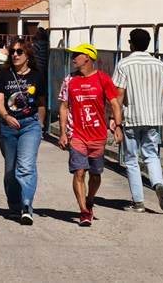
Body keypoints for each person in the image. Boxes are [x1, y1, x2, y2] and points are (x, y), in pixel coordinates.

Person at [57, 43, 122, 226]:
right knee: (79, 172)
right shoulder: (69, 80)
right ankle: (84, 210)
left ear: (87, 57)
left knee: (95, 174)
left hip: (98, 135)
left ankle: (90, 199)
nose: (73, 58)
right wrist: (63, 133)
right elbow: (63, 107)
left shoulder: (102, 79)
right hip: (77, 135)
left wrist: (118, 126)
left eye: (76, 55)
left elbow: (115, 103)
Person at [112, 28, 163, 212]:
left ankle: (138, 202)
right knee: (151, 155)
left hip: (132, 117)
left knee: (131, 159)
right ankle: (158, 184)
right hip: (153, 117)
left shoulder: (124, 64)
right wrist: (154, 96)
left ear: (131, 43)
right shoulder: (158, 64)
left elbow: (120, 93)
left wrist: (115, 119)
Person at [0, 38, 46, 225]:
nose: (15, 54)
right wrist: (6, 116)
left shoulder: (37, 76)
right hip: (8, 126)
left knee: (25, 166)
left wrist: (40, 125)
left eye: (19, 52)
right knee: (10, 170)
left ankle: (26, 206)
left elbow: (41, 103)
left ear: (27, 56)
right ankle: (14, 206)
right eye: (12, 51)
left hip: (30, 126)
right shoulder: (4, 74)